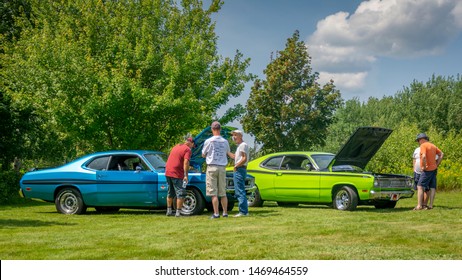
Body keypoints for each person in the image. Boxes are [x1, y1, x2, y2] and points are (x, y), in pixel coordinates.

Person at [202, 121, 233, 219]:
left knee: (213, 192)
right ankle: (225, 212)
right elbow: (228, 152)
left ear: (212, 129)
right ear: (220, 129)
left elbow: (203, 154)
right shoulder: (225, 141)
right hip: (222, 167)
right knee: (223, 192)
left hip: (212, 167)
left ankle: (216, 213)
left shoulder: (209, 141)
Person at [165, 137, 195, 217]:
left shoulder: (176, 146)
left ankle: (169, 211)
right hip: (176, 173)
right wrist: (185, 175)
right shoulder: (187, 149)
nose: (192, 147)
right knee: (181, 193)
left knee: (170, 192)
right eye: (193, 146)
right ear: (191, 143)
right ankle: (178, 212)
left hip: (168, 171)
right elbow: (186, 162)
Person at [414, 133, 443, 210]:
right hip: (434, 169)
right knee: (432, 187)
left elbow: (423, 156)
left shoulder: (423, 145)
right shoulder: (433, 146)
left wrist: (423, 166)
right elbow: (441, 154)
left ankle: (419, 205)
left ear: (421, 139)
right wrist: (436, 164)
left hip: (427, 170)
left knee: (420, 186)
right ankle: (430, 205)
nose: (418, 142)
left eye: (418, 140)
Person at [230, 130, 250, 217]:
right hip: (240, 168)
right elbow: (235, 157)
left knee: (240, 190)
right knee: (239, 190)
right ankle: (243, 211)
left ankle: (243, 211)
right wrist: (227, 151)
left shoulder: (243, 145)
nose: (234, 137)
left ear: (240, 136)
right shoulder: (239, 146)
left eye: (235, 135)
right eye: (233, 135)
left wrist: (236, 166)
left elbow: (244, 158)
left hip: (240, 169)